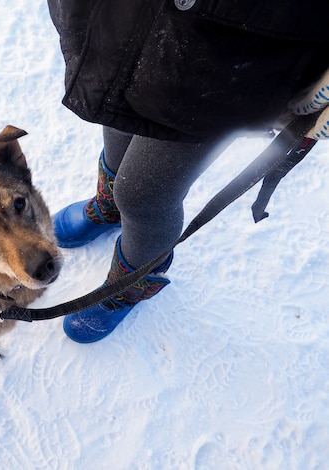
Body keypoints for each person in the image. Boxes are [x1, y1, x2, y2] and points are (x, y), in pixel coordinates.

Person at [46, 0, 329, 343]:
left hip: (233, 58)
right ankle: (111, 208)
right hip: (132, 20)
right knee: (117, 114)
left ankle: (134, 280)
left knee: (144, 194)